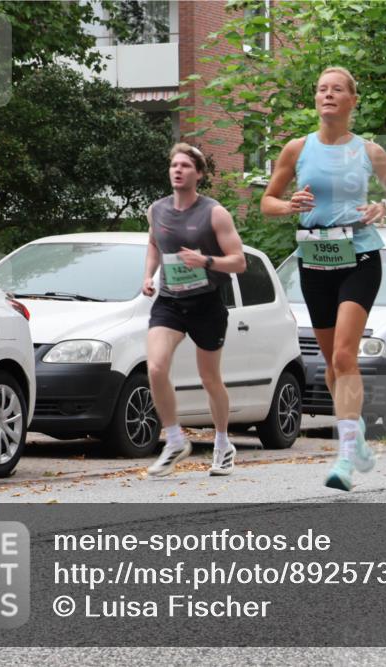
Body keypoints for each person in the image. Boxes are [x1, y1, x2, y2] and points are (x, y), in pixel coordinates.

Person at [261, 66, 386, 491]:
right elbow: (266, 202)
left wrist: (385, 206)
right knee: (332, 364)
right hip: (315, 259)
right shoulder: (297, 148)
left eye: (337, 90)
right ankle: (357, 436)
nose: (328, 95)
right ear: (316, 99)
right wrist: (288, 205)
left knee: (345, 356)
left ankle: (345, 457)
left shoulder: (369, 151)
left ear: (352, 100)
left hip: (360, 256)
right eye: (322, 89)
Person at [144, 143, 246, 477]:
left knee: (209, 378)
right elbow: (154, 244)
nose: (178, 170)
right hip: (170, 301)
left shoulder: (214, 212)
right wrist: (148, 276)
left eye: (186, 166)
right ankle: (174, 440)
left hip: (207, 302)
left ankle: (222, 442)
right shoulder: (156, 210)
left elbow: (240, 262)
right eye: (174, 165)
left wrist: (205, 260)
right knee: (156, 367)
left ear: (198, 174)